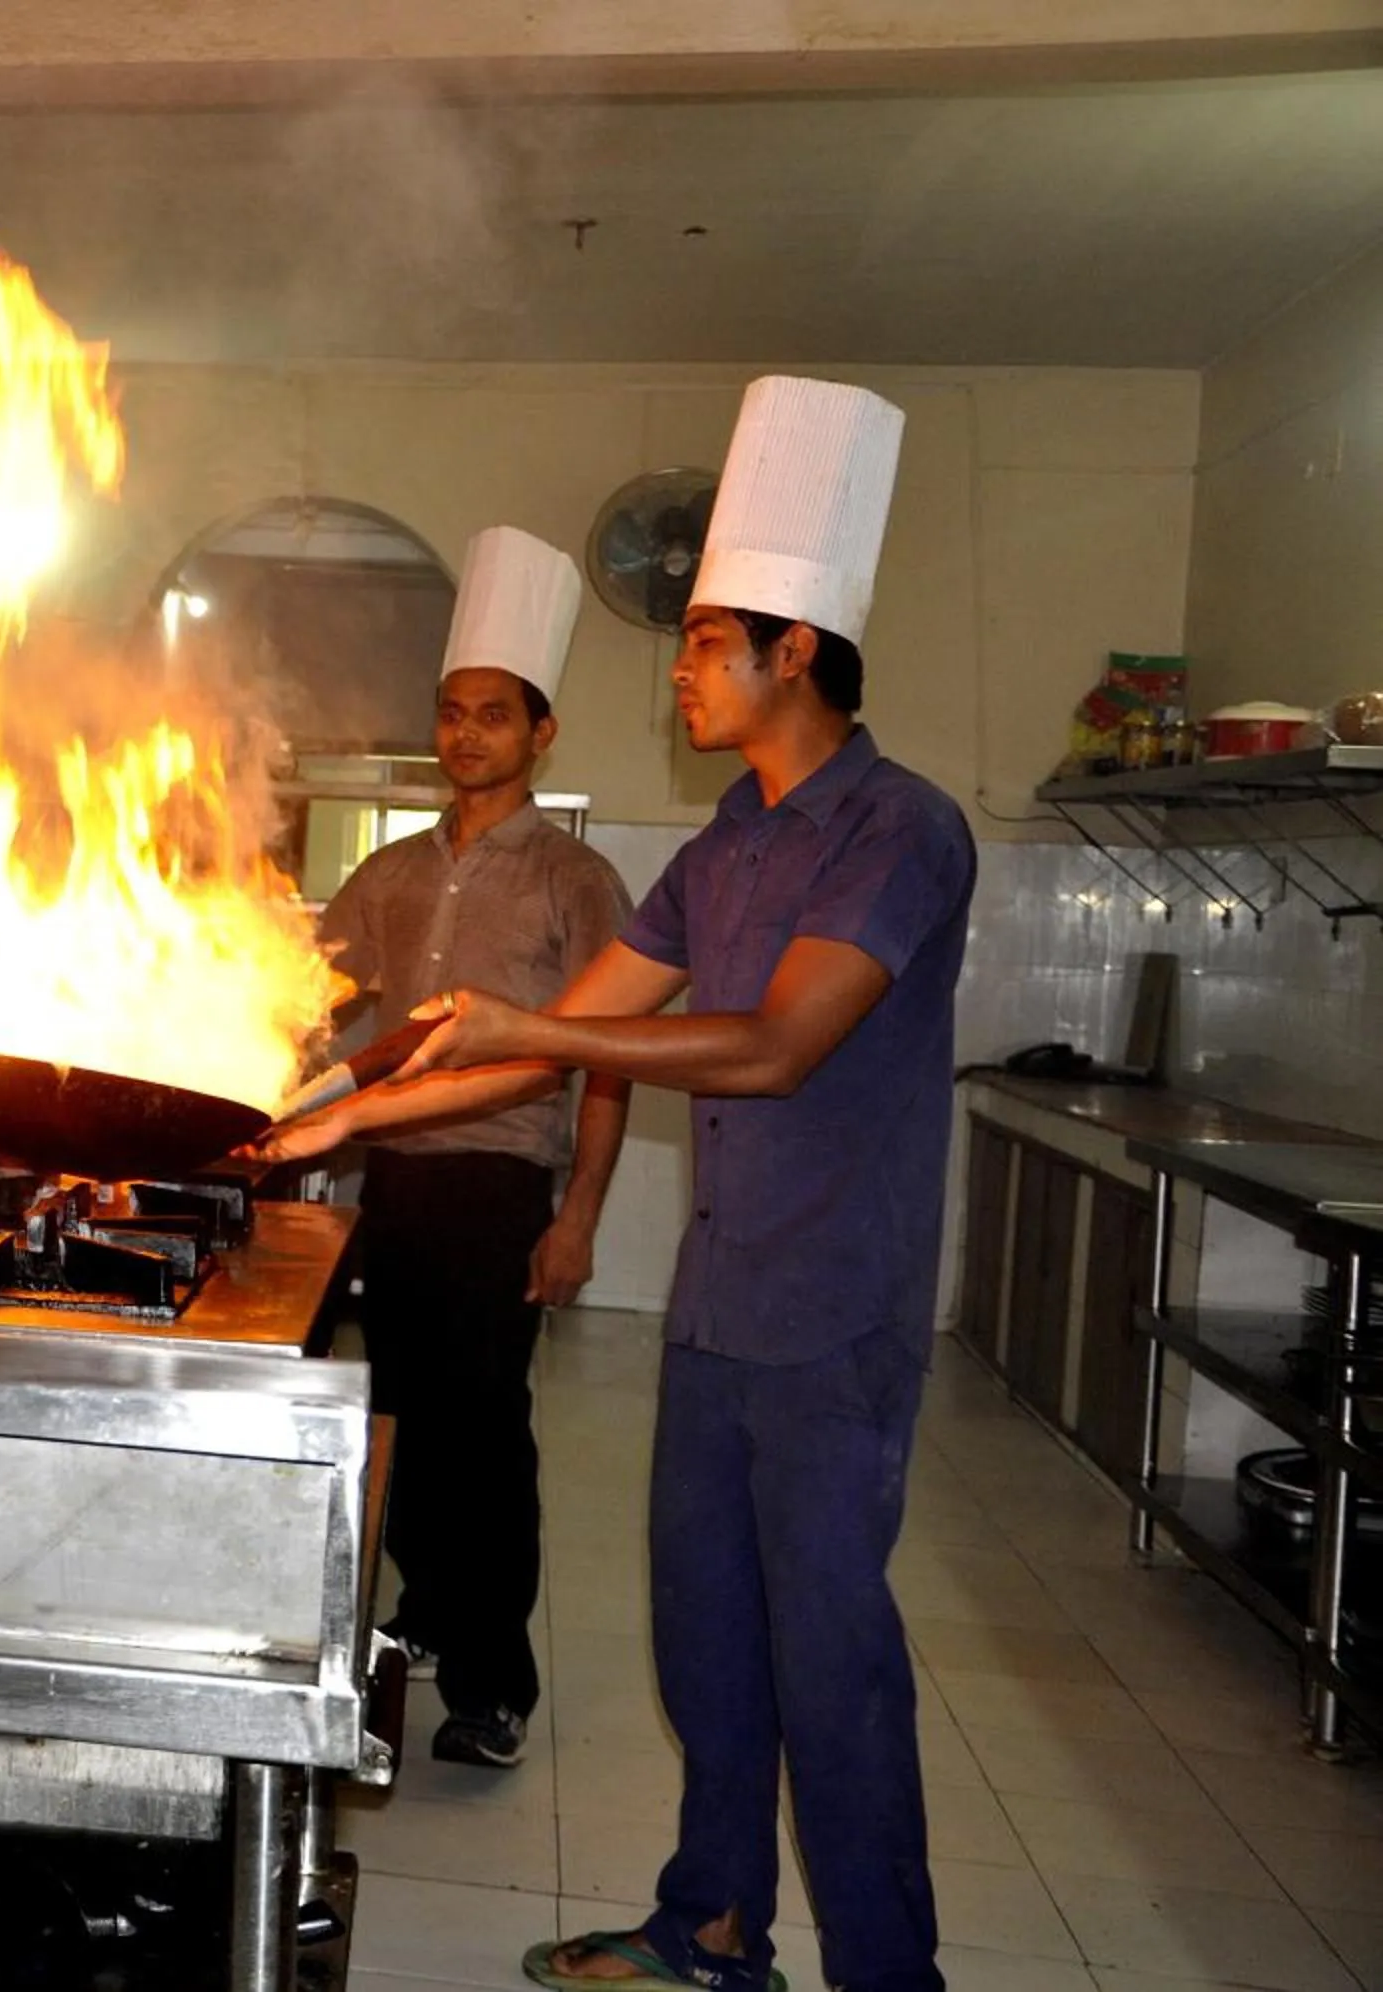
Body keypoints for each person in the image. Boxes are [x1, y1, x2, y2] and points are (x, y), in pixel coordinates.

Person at [264, 378, 965, 1992]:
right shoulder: (725, 847)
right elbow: (549, 1043)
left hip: (833, 1303)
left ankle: (889, 1971)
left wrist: (520, 1040)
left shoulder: (899, 832)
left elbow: (783, 1044)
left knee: (832, 1656)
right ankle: (711, 1922)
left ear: (798, 650)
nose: (683, 659)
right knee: (708, 1636)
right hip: (721, 1305)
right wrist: (329, 1122)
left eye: (708, 635)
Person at [316, 525, 632, 1770]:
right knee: (395, 1418)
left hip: (504, 1185)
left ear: (540, 733)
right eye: (452, 713)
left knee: (485, 1429)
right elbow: (309, 999)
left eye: (493, 715)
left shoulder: (577, 878)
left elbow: (611, 1058)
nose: (465, 736)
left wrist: (578, 1219)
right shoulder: (388, 874)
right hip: (388, 1183)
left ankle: (493, 1682)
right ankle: (429, 1614)